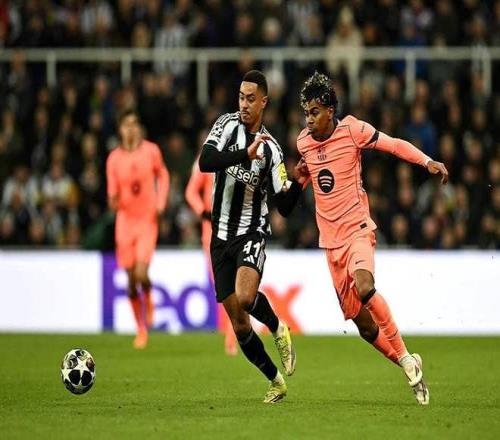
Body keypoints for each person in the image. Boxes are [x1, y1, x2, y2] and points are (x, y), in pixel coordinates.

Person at [294, 72, 449, 405]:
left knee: (365, 285)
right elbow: (306, 177)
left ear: (330, 110)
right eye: (306, 113)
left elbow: (393, 144)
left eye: (314, 112)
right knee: (364, 327)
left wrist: (426, 161)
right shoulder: (303, 143)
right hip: (330, 244)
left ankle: (405, 356)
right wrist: (296, 180)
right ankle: (407, 363)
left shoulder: (353, 130)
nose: (309, 119)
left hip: (358, 229)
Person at [199, 70, 303, 403]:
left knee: (245, 297)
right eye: (241, 97)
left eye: (250, 99)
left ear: (264, 102)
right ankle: (275, 381)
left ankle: (276, 327)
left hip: (251, 231)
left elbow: (283, 206)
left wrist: (299, 182)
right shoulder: (225, 125)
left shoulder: (272, 150)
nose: (244, 104)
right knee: (240, 325)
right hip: (220, 237)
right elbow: (205, 161)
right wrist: (244, 154)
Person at [106, 110, 170, 349]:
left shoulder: (151, 151)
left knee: (142, 273)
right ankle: (140, 328)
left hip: (146, 220)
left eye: (134, 124)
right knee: (131, 281)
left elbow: (163, 175)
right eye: (126, 124)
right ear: (120, 129)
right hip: (125, 222)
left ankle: (149, 298)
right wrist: (113, 200)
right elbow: (112, 193)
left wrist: (160, 203)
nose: (131, 128)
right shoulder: (114, 159)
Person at [185, 156, 238, 356]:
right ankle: (232, 331)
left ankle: (233, 334)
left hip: (238, 227)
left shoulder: (242, 155)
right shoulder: (206, 159)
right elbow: (191, 192)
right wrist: (203, 212)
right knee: (223, 284)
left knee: (239, 282)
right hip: (212, 231)